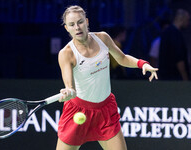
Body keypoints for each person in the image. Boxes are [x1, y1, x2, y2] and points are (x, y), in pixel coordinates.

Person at [57, 5, 158, 150]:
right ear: (67, 28)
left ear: (87, 21)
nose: (77, 27)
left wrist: (142, 64)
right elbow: (70, 87)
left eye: (80, 22)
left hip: (105, 110)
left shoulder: (103, 38)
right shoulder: (66, 53)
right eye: (72, 24)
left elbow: (122, 58)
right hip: (78, 112)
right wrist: (68, 92)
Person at [159, 9, 190, 80]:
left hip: (166, 77)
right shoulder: (175, 34)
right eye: (188, 20)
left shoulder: (167, 32)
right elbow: (179, 58)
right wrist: (185, 78)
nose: (188, 23)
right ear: (182, 19)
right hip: (175, 78)